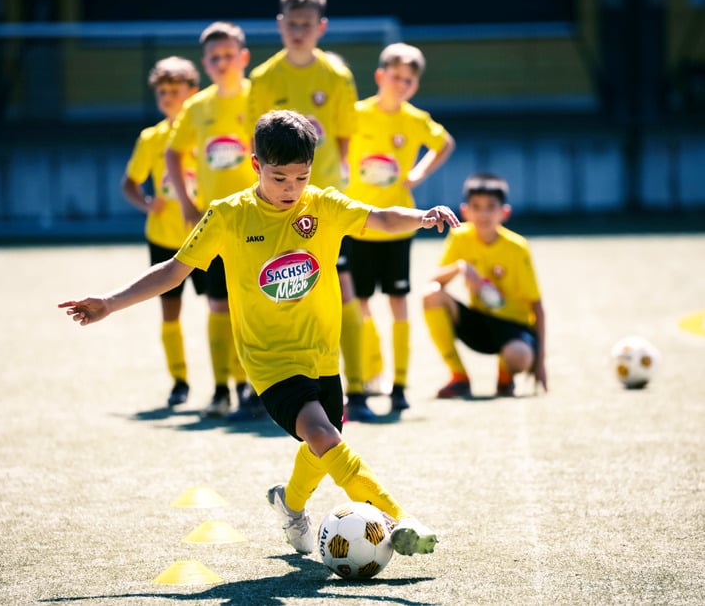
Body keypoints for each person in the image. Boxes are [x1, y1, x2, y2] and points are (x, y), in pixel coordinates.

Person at [60, 109, 458, 557]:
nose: (291, 189)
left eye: (301, 178)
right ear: (256, 165)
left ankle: (290, 504)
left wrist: (421, 217)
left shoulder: (324, 206)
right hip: (269, 359)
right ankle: (399, 519)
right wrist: (110, 302)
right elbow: (173, 271)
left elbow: (380, 218)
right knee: (324, 435)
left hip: (322, 355)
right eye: (279, 177)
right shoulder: (228, 215)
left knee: (323, 439)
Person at [247, 0, 367, 418]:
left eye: (307, 24)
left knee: (340, 290)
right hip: (273, 207)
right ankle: (259, 389)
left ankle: (358, 388)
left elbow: (345, 138)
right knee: (268, 290)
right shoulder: (263, 79)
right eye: (292, 24)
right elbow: (255, 144)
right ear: (280, 25)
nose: (299, 31)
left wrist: (336, 191)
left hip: (322, 205)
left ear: (322, 27)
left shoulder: (336, 77)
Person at [343, 42, 455, 419]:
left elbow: (445, 143)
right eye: (396, 76)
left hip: (398, 228)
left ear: (415, 85)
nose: (401, 84)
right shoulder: (355, 114)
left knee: (398, 302)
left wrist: (418, 174)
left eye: (409, 80)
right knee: (358, 303)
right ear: (380, 76)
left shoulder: (415, 120)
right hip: (358, 224)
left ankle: (400, 386)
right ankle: (365, 375)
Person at [164, 21, 254, 419]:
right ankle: (221, 390)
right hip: (215, 222)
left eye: (228, 55)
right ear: (205, 63)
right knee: (218, 305)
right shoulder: (197, 107)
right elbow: (173, 152)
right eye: (214, 57)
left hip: (257, 220)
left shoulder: (260, 98)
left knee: (251, 307)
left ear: (243, 57)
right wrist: (186, 202)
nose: (222, 63)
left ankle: (251, 385)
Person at [120, 56, 207, 407]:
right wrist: (146, 203)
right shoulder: (151, 138)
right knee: (170, 311)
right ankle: (179, 381)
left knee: (224, 308)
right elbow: (129, 183)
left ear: (193, 93)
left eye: (175, 90)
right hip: (164, 238)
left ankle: (232, 381)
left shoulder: (205, 132)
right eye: (162, 92)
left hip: (206, 236)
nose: (168, 97)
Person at [422, 172, 547, 398]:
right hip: (479, 322)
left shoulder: (517, 248)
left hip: (513, 327)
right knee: (431, 295)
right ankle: (458, 376)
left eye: (491, 207)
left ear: (504, 212)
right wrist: (460, 267)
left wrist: (540, 363)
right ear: (465, 211)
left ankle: (505, 377)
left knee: (519, 355)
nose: (483, 214)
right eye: (476, 206)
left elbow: (537, 306)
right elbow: (435, 280)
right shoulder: (460, 236)